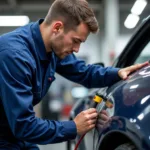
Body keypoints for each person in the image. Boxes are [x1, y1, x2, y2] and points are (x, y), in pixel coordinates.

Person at [0, 0, 148, 149]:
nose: (77, 49)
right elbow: (23, 125)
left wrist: (117, 73)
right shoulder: (15, 56)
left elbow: (83, 72)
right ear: (57, 27)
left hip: (16, 132)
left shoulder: (53, 47)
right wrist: (74, 127)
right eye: (75, 41)